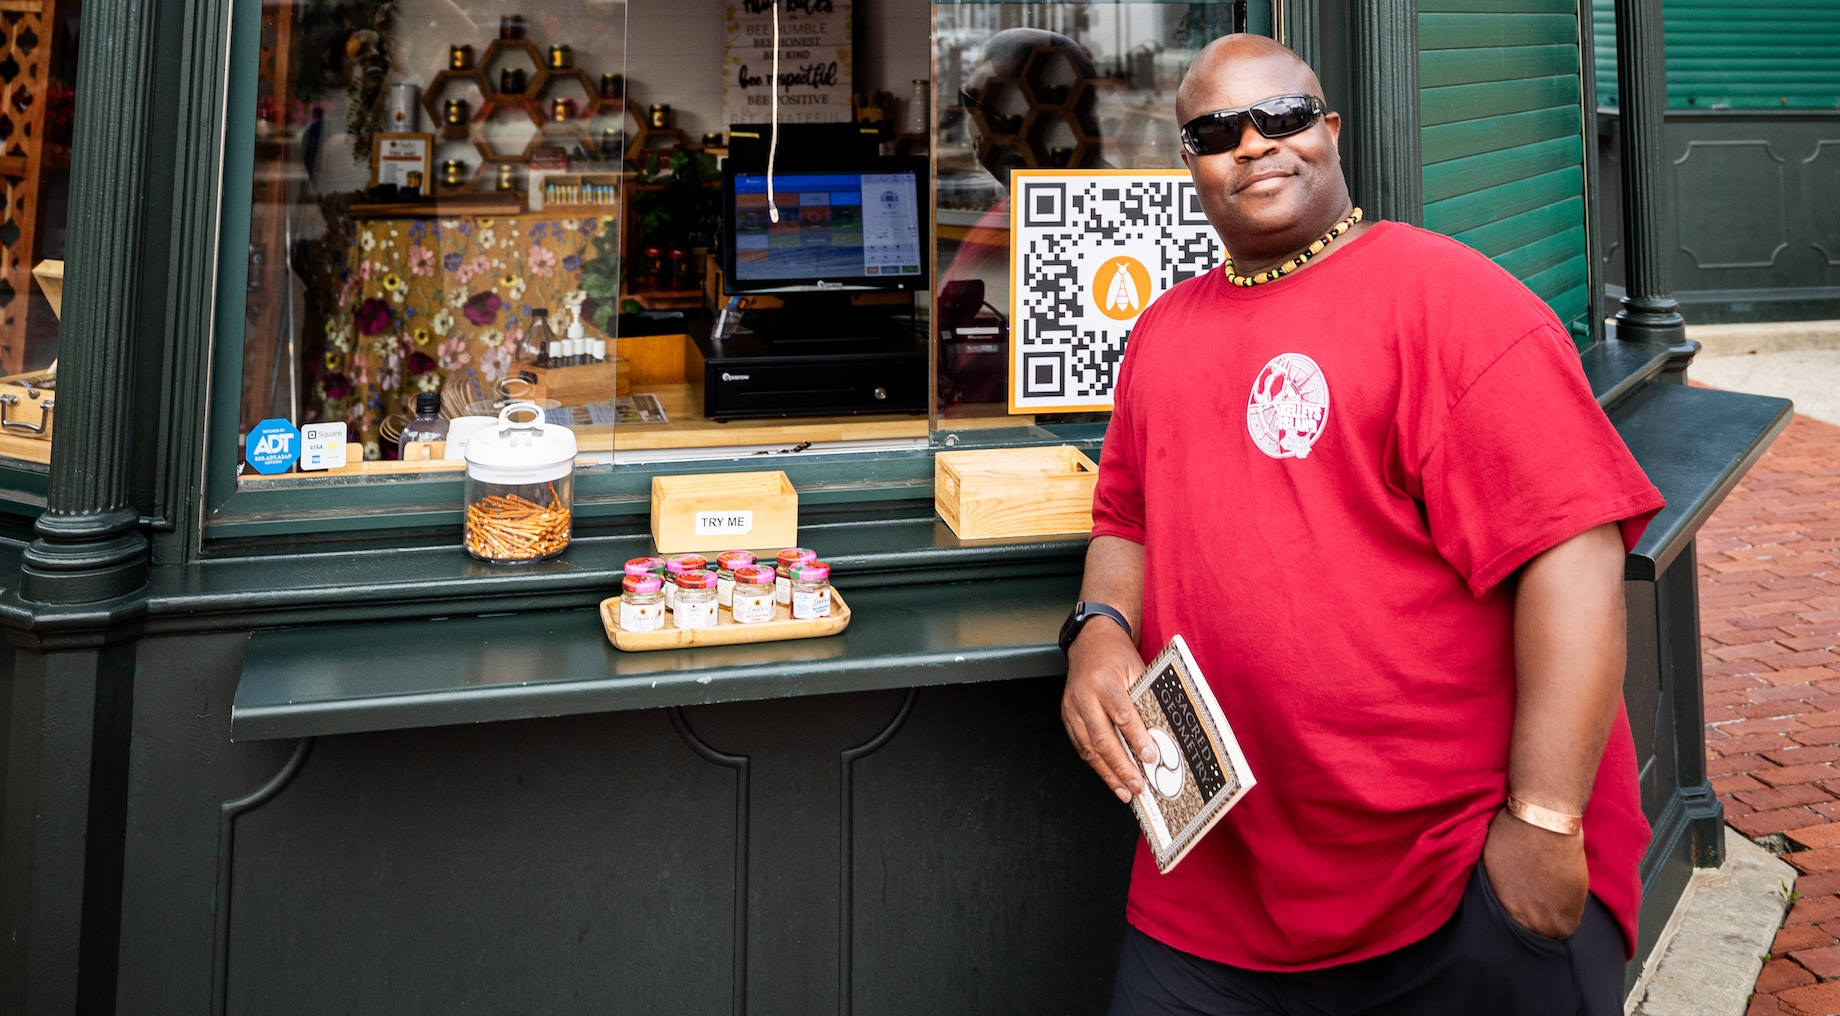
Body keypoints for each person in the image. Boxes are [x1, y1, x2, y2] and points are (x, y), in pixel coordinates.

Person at [1058, 34, 1665, 1014]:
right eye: (1217, 131)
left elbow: (1573, 553)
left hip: (1447, 876)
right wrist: (1098, 629)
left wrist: (1545, 819)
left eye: (1283, 117)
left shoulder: (1449, 301)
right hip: (1215, 889)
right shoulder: (1161, 334)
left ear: (1331, 130)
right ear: (1190, 162)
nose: (1253, 144)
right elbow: (1123, 515)